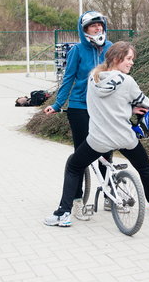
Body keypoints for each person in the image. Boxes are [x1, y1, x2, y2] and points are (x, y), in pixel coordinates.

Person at [44, 41, 149, 227]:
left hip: (99, 140)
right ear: (117, 59)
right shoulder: (128, 82)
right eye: (129, 59)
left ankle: (63, 213)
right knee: (144, 168)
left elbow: (96, 106)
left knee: (74, 166)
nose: (132, 63)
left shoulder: (93, 78)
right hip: (125, 137)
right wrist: (134, 110)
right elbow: (147, 106)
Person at [44, 11, 114, 219]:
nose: (98, 28)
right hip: (80, 107)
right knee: (82, 155)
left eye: (100, 25)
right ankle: (76, 200)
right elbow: (68, 78)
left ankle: (109, 194)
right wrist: (57, 104)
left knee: (106, 151)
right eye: (93, 26)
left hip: (103, 107)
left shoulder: (110, 48)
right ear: (84, 30)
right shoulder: (77, 50)